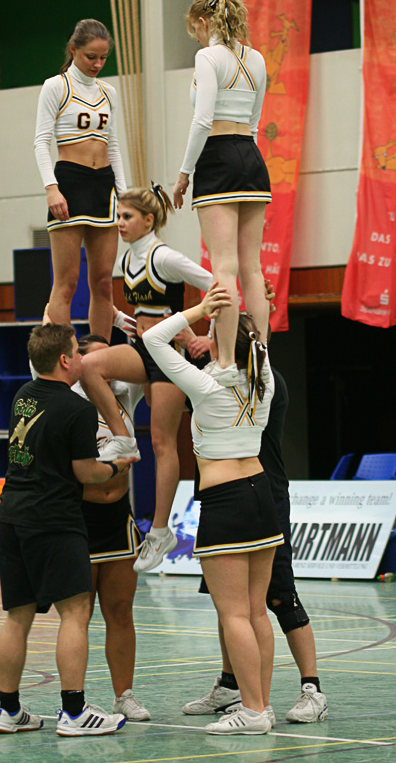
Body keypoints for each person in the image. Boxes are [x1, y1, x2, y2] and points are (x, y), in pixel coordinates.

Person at [143, 288, 283, 735]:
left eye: (211, 331)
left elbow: (153, 341)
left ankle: (254, 710)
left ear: (222, 343)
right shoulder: (265, 380)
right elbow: (251, 341)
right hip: (261, 493)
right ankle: (261, 704)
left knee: (234, 613)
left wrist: (199, 309)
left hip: (226, 501)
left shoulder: (204, 385)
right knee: (256, 611)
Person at [0, 323, 135, 738]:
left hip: (13, 517)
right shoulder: (77, 410)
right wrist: (116, 464)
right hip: (54, 519)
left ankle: (8, 710)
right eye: (78, 351)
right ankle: (73, 712)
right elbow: (85, 471)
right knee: (75, 612)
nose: (82, 358)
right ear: (65, 360)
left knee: (17, 617)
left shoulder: (23, 395)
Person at [79, 185, 216, 573]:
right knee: (90, 367)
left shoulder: (165, 256)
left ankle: (159, 531)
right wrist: (126, 320)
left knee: (162, 443)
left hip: (168, 357)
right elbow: (145, 309)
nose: (119, 224)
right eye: (118, 216)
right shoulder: (129, 258)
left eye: (126, 217)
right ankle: (123, 438)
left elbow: (215, 286)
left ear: (149, 220)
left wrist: (206, 335)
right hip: (142, 348)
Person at [182, 368, 328, 724]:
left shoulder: (263, 381)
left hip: (263, 494)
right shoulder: (214, 380)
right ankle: (232, 685)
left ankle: (312, 689)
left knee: (279, 597)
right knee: (229, 604)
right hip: (223, 500)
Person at [172, 0, 271, 375]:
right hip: (251, 157)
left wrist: (184, 174)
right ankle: (261, 357)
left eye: (193, 29)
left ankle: (228, 361)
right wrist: (247, 161)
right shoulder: (258, 59)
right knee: (253, 268)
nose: (195, 37)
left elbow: (202, 119)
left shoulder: (207, 56)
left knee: (224, 267)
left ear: (201, 22)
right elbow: (255, 123)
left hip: (217, 157)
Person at [34, 19, 126, 341]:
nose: (97, 64)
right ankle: (64, 361)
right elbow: (41, 141)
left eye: (103, 58)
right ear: (73, 50)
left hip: (104, 184)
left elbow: (112, 143)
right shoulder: (56, 86)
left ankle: (100, 356)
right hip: (70, 183)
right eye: (91, 57)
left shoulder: (108, 92)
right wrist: (52, 189)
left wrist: (124, 194)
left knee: (102, 282)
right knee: (67, 282)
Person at [76, 334, 151, 721]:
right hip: (78, 518)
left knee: (120, 610)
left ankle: (125, 696)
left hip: (118, 516)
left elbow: (154, 356)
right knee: (79, 614)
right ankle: (76, 699)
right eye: (95, 358)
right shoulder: (69, 398)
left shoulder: (125, 392)